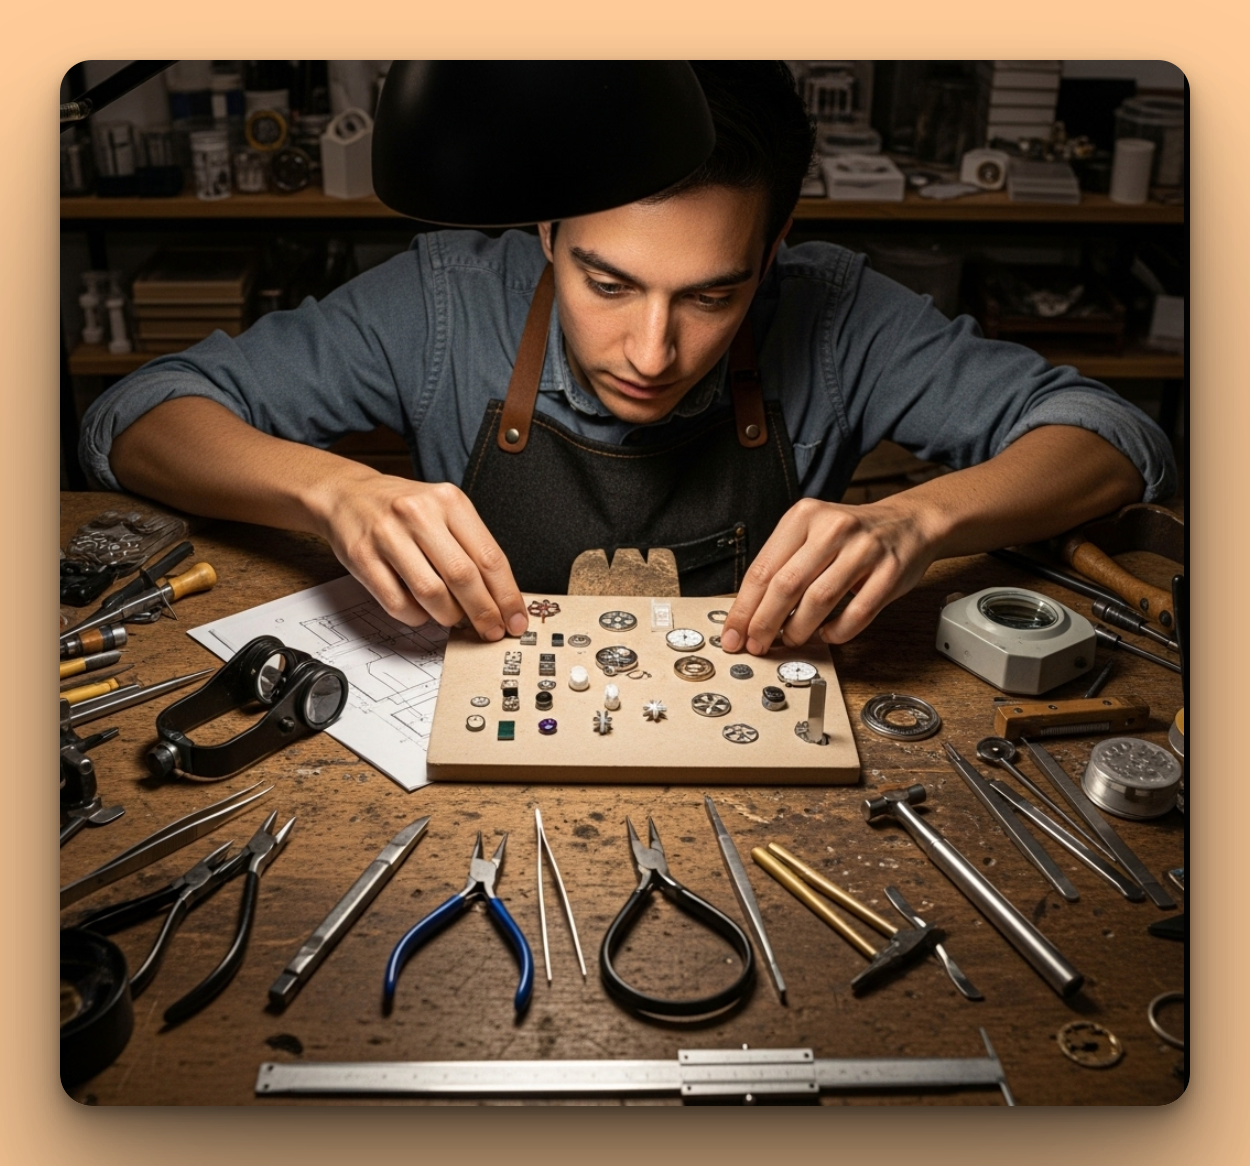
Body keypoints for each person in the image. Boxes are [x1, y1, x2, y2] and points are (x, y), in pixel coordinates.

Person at [81, 61, 1175, 658]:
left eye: (712, 294)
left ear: (774, 248)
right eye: (607, 284)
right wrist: (334, 492)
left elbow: (1115, 438)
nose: (652, 354)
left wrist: (916, 521)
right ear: (545, 233)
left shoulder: (834, 308)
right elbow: (133, 416)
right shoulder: (443, 298)